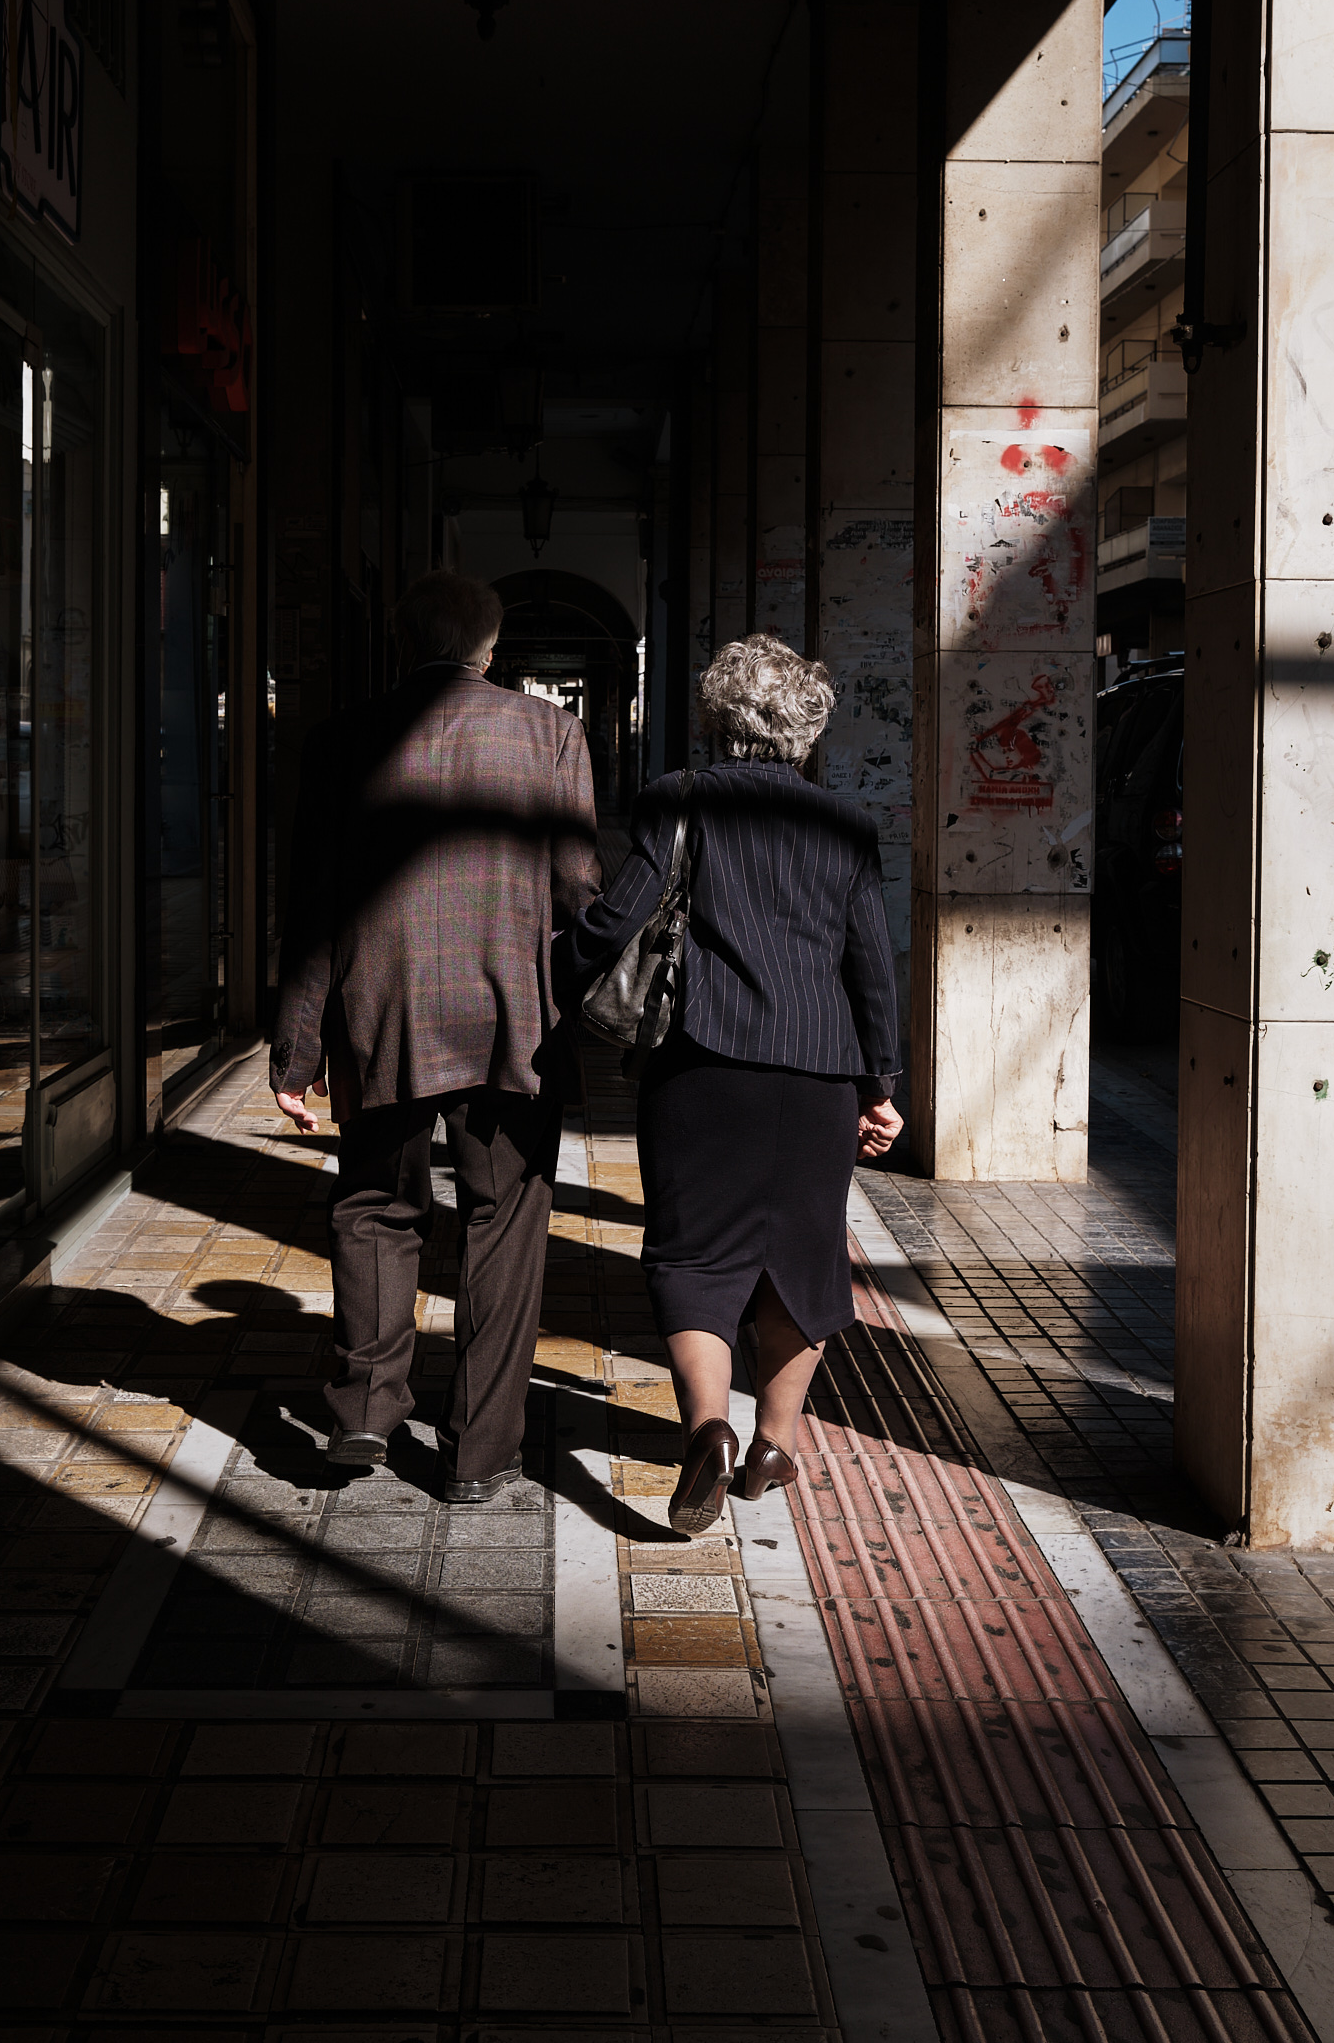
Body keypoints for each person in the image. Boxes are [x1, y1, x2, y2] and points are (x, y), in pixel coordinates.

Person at [556, 633, 903, 1536]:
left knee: (693, 1253)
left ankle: (705, 1429)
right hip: (821, 1068)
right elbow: (871, 966)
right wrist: (880, 1084)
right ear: (807, 727)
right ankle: (774, 1442)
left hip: (702, 1065)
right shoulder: (847, 825)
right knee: (803, 1258)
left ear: (720, 718)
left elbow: (621, 914)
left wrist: (549, 970)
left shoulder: (678, 799)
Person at [271, 571, 599, 1502]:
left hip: (381, 1016)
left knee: (374, 1208)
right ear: (491, 649)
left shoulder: (340, 741)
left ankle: (365, 1414)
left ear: (398, 640)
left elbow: (312, 912)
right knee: (505, 1226)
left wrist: (296, 1054)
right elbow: (579, 891)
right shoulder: (551, 735)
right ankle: (478, 1454)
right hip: (513, 1024)